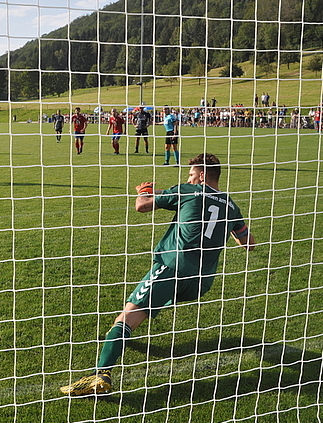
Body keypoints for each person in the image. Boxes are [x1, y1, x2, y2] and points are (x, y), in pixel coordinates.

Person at [60, 153, 256, 396]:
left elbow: (141, 205)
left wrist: (144, 189)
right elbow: (248, 243)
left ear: (202, 174)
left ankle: (101, 375)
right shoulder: (231, 206)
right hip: (201, 283)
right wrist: (234, 231)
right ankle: (132, 329)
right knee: (146, 307)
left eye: (191, 174)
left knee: (125, 319)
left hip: (172, 268)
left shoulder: (188, 191)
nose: (189, 178)